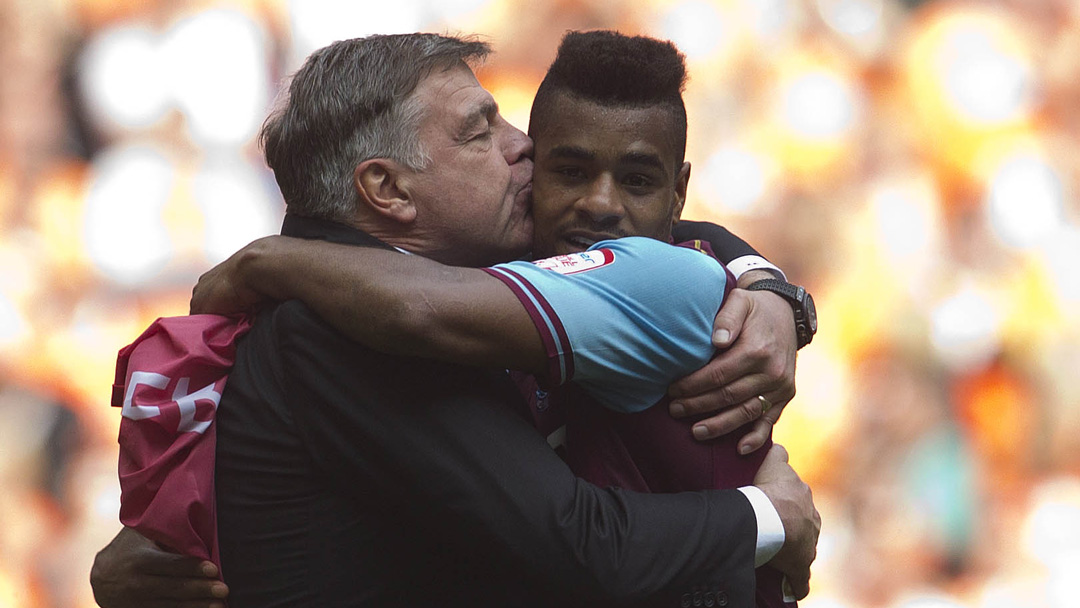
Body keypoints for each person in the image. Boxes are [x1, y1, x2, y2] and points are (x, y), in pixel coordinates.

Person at [91, 33, 818, 608]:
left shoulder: (412, 290)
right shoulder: (340, 333)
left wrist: (769, 288)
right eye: (480, 131)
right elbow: (582, 547)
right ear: (387, 190)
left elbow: (646, 243)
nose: (522, 144)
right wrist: (766, 516)